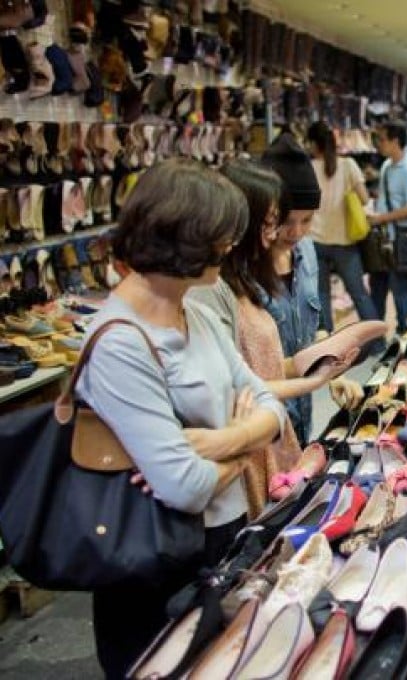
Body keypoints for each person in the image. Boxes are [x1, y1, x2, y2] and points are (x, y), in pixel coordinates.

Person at [76, 160, 286, 678]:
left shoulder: (192, 311)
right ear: (184, 238)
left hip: (220, 543)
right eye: (221, 237)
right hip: (157, 564)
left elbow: (271, 406)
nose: (230, 248)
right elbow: (185, 487)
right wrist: (245, 444)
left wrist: (219, 442)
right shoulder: (121, 344)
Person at [189, 160, 360, 515]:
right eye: (274, 223)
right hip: (247, 443)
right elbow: (235, 389)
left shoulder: (282, 261)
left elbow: (261, 366)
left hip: (274, 432)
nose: (285, 232)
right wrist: (315, 379)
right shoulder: (212, 288)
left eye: (305, 220)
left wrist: (326, 367)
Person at [258, 132, 325, 445]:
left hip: (302, 415)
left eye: (307, 220)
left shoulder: (307, 252)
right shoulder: (242, 270)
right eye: (287, 221)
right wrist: (312, 366)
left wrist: (329, 365)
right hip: (263, 423)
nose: (296, 232)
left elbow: (314, 325)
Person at [306, 121, 379, 330]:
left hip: (315, 240)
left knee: (321, 296)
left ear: (313, 144)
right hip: (344, 241)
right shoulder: (348, 165)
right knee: (359, 294)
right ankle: (376, 342)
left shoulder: (309, 168)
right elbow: (365, 199)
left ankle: (328, 344)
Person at [369, 121, 407, 333]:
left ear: (396, 141)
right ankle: (376, 332)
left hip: (399, 237)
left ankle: (404, 329)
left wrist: (382, 218)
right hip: (383, 237)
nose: (379, 144)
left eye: (382, 139)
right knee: (378, 285)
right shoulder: (386, 166)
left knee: (399, 284)